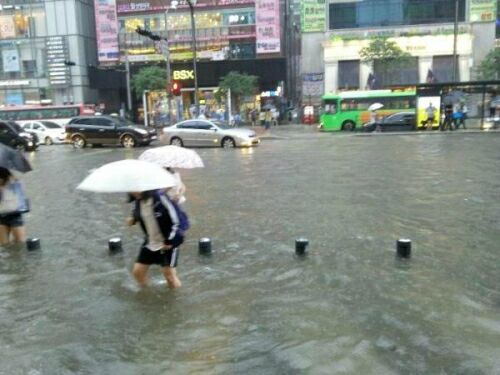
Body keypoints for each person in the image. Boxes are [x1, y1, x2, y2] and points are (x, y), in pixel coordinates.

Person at [128, 189, 185, 289]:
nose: (133, 192)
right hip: (150, 241)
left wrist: (169, 241)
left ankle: (175, 299)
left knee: (169, 276)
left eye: (135, 189)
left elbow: (177, 221)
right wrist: (133, 219)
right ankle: (147, 294)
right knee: (138, 272)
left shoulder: (161, 198)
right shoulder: (139, 201)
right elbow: (139, 214)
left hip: (168, 241)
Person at [0, 168, 27, 246]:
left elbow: (20, 195)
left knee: (20, 245)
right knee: (4, 245)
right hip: (2, 217)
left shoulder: (14, 183)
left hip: (15, 216)